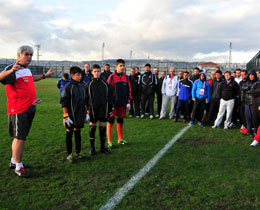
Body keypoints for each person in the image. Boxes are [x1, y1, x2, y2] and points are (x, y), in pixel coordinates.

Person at [0, 45, 53, 177]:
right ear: (19, 55)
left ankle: (14, 161)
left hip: (29, 107)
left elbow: (31, 78)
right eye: (26, 54)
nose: (29, 56)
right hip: (18, 108)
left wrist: (44, 76)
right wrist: (11, 70)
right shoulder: (13, 68)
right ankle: (18, 166)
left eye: (31, 54)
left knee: (21, 137)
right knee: (19, 138)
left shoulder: (26, 70)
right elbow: (1, 76)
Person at [61, 66, 87, 163]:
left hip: (80, 114)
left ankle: (78, 152)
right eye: (78, 75)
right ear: (72, 75)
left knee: (78, 133)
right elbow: (64, 102)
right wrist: (66, 115)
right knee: (69, 133)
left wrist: (86, 113)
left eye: (81, 74)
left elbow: (85, 101)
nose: (80, 76)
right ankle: (69, 154)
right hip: (71, 115)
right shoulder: (68, 87)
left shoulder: (82, 86)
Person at [85, 64, 112, 155]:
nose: (97, 73)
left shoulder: (105, 84)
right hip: (92, 110)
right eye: (95, 71)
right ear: (92, 72)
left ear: (100, 72)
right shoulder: (88, 85)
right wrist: (87, 110)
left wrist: (110, 108)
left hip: (103, 110)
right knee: (92, 127)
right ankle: (92, 148)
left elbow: (109, 97)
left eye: (98, 71)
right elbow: (85, 99)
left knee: (102, 127)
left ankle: (102, 147)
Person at [107, 59, 132, 147]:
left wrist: (128, 101)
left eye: (123, 66)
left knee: (120, 121)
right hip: (113, 104)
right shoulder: (112, 77)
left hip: (122, 103)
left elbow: (129, 90)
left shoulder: (126, 77)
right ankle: (109, 141)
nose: (122, 67)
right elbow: (108, 91)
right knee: (110, 121)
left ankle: (120, 139)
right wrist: (110, 103)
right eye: (120, 66)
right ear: (116, 66)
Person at [241, 70, 257, 135]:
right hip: (247, 102)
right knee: (248, 117)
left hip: (254, 103)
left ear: (254, 75)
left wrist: (248, 89)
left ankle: (255, 131)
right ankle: (248, 130)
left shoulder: (257, 82)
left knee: (255, 118)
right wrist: (250, 88)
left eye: (252, 75)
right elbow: (243, 88)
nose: (251, 76)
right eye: (250, 75)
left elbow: (255, 91)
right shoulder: (247, 82)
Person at [250, 80, 260, 146]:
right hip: (256, 104)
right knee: (255, 120)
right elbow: (252, 92)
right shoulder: (257, 83)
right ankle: (256, 139)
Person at [239, 70, 248, 134]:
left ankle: (247, 127)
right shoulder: (240, 82)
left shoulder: (248, 82)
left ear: (246, 75)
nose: (242, 76)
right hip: (241, 101)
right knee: (241, 114)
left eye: (243, 74)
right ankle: (244, 125)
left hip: (247, 101)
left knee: (247, 115)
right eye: (241, 74)